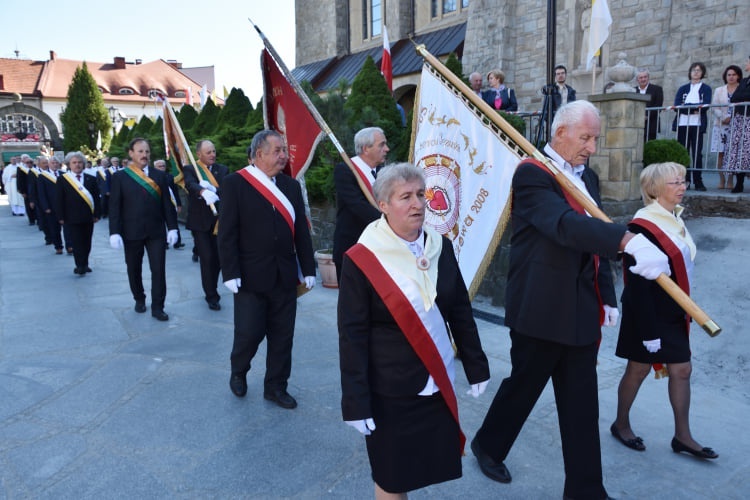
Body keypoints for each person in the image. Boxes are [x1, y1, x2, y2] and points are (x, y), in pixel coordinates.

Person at [471, 101, 670, 500]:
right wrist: (627, 241)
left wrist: (608, 294)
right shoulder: (532, 174)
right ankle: (487, 446)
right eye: (586, 137)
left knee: (581, 406)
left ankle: (586, 491)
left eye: (595, 138)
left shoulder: (588, 179)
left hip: (581, 310)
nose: (592, 147)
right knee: (523, 388)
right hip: (539, 309)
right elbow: (564, 226)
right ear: (559, 133)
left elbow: (591, 241)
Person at [338, 162, 490, 498]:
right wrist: (355, 402)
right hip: (389, 392)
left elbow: (460, 311)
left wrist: (477, 366)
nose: (418, 204)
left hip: (434, 386)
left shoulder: (440, 246)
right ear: (383, 205)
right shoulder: (362, 258)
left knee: (419, 470)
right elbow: (352, 336)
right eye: (405, 196)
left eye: (421, 194)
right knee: (392, 478)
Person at [611, 162, 718, 460]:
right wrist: (647, 332)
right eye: (675, 183)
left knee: (682, 369)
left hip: (672, 310)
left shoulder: (673, 219)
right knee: (639, 368)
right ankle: (621, 424)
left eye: (683, 181)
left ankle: (683, 436)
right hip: (645, 312)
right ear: (655, 189)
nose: (682, 186)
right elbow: (637, 286)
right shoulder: (641, 225)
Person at [217, 130, 316, 408]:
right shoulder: (235, 183)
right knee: (249, 333)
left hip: (284, 275)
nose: (284, 156)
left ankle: (275, 386)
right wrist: (230, 272)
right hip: (249, 276)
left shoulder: (291, 186)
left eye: (284, 150)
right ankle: (239, 370)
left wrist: (308, 268)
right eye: (277, 151)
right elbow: (227, 232)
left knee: (283, 335)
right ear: (259, 154)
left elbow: (300, 232)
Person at [108, 138, 179, 321]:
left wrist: (172, 227)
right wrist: (114, 232)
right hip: (131, 233)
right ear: (131, 153)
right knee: (133, 269)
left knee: (159, 270)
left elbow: (167, 205)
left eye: (146, 151)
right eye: (140, 151)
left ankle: (158, 307)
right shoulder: (120, 177)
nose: (144, 155)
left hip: (156, 232)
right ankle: (139, 298)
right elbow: (114, 206)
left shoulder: (160, 176)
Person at [332, 127, 388, 280]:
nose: (387, 149)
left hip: (379, 249)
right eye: (381, 145)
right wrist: (391, 221)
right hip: (352, 247)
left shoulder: (383, 172)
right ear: (366, 149)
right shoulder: (345, 171)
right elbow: (358, 205)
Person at [182, 140, 229, 310]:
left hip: (219, 222)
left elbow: (227, 189)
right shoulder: (191, 169)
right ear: (199, 155)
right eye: (208, 152)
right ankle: (211, 295)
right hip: (200, 223)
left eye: (214, 151)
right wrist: (202, 191)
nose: (213, 155)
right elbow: (189, 183)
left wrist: (214, 190)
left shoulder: (222, 170)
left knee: (217, 258)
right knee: (207, 258)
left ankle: (213, 287)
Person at [55, 151, 101, 275]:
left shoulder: (90, 179)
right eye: (74, 162)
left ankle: (85, 263)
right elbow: (59, 199)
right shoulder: (63, 179)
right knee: (76, 242)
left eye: (80, 162)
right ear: (69, 164)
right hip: (71, 217)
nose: (77, 165)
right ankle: (79, 265)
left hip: (88, 217)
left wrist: (97, 214)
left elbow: (96, 198)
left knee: (87, 241)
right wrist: (60, 216)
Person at [672, 62, 712, 191]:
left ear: (702, 73)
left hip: (697, 125)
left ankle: (698, 181)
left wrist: (687, 107)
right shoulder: (683, 88)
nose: (696, 72)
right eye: (694, 70)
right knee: (683, 153)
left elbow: (705, 106)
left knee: (697, 153)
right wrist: (693, 108)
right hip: (683, 124)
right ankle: (685, 180)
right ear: (690, 72)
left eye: (699, 70)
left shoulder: (706, 88)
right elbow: (677, 106)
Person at [711, 65, 742, 190]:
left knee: (732, 154)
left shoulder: (741, 89)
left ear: (738, 76)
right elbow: (715, 106)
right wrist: (723, 117)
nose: (731, 77)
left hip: (736, 125)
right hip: (721, 125)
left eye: (734, 74)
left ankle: (730, 180)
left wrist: (732, 117)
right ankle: (721, 180)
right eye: (729, 74)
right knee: (721, 153)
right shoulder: (719, 90)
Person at [726, 56, 750, 194]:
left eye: (748, 61)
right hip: (740, 119)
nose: (746, 63)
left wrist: (743, 97)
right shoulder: (745, 81)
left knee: (747, 152)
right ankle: (739, 183)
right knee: (739, 151)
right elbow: (735, 97)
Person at [37, 155, 66, 255]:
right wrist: (45, 207)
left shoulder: (64, 174)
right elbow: (41, 193)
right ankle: (58, 246)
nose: (54, 164)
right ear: (48, 164)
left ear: (59, 164)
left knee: (68, 228)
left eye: (56, 163)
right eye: (52, 163)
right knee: (54, 228)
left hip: (64, 206)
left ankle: (70, 245)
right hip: (51, 206)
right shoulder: (42, 176)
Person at [153, 159, 184, 250]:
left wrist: (178, 204)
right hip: (158, 204)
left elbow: (175, 191)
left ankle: (177, 242)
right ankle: (164, 242)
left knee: (174, 222)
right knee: (161, 225)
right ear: (155, 167)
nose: (162, 167)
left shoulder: (170, 177)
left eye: (163, 165)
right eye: (160, 166)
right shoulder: (152, 177)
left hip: (170, 203)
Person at [635, 69, 664, 142]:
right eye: (641, 78)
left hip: (651, 124)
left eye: (645, 77)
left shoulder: (657, 89)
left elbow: (658, 105)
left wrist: (646, 116)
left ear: (648, 77)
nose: (643, 79)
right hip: (635, 125)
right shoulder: (633, 90)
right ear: (637, 79)